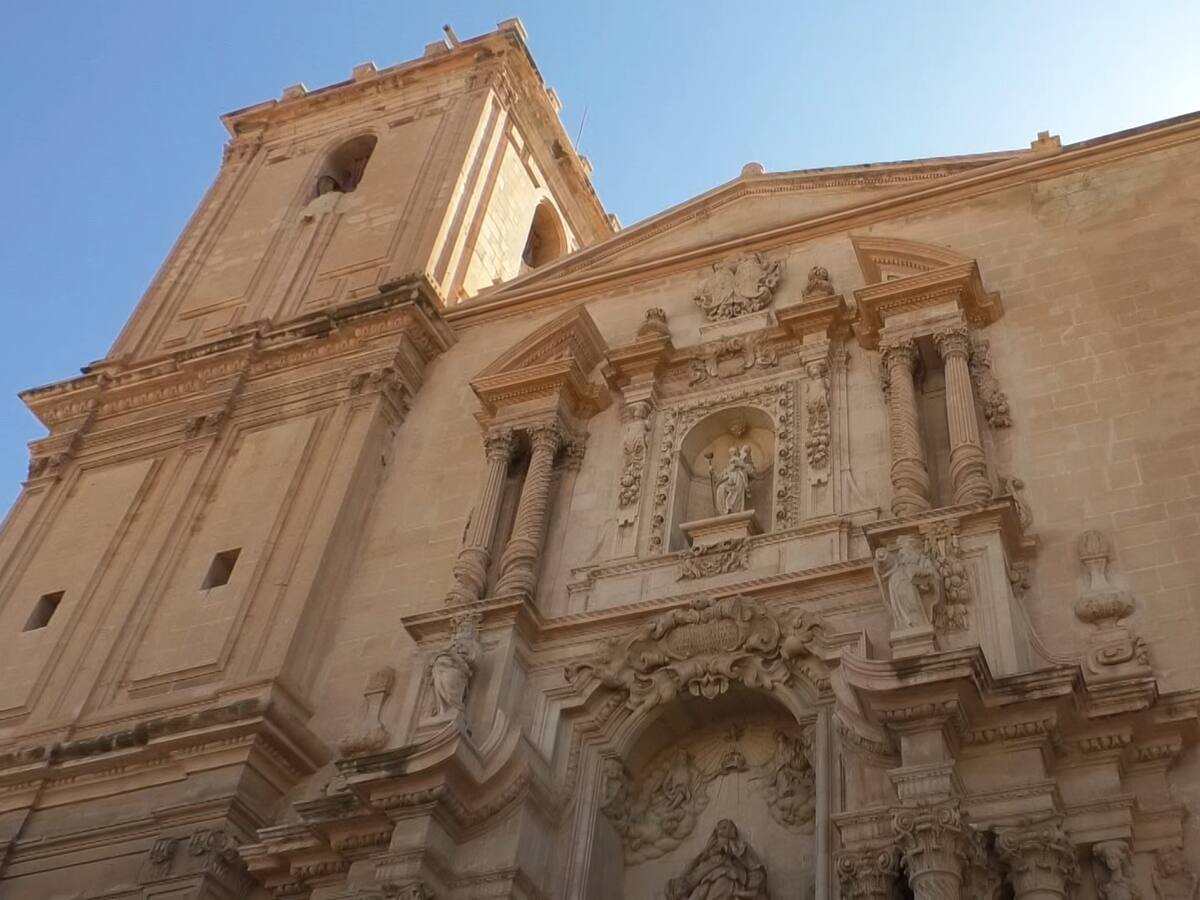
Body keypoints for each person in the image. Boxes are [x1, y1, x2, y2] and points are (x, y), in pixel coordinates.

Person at [665, 819, 770, 900]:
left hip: (727, 873)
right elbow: (699, 861)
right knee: (703, 888)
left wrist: (729, 851)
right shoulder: (711, 848)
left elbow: (743, 856)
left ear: (732, 831)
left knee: (721, 880)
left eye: (725, 827)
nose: (720, 829)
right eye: (719, 827)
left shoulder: (736, 845)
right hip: (710, 874)